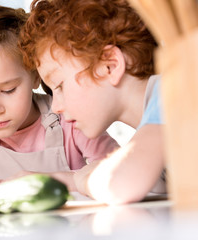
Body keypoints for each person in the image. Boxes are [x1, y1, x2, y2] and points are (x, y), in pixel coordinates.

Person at [0, 5, 118, 191]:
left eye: (8, 90)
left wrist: (57, 180)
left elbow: (121, 170)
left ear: (35, 75)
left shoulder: (72, 120)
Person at [19, 0, 167, 204]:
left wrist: (80, 180)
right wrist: (65, 179)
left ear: (110, 66)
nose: (55, 107)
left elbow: (119, 184)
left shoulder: (171, 94)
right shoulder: (156, 126)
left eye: (60, 86)